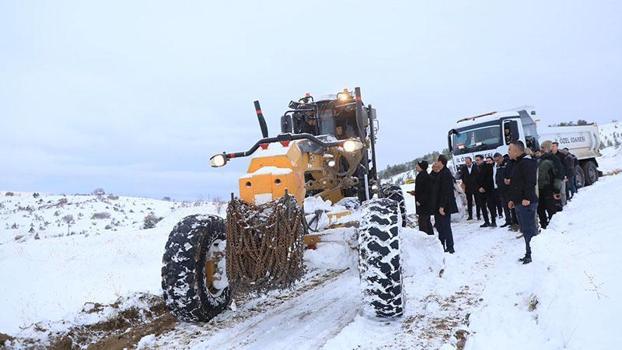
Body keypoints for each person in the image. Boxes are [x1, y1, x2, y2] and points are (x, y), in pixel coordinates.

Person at [507, 141, 538, 264]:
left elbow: (530, 182)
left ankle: (533, 254)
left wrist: (527, 198)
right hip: (519, 202)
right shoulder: (517, 163)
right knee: (525, 230)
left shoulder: (527, 162)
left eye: (510, 149)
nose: (508, 152)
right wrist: (512, 200)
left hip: (527, 202)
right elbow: (516, 184)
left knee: (530, 230)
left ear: (517, 151)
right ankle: (528, 253)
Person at [431, 155, 458, 253]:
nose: (435, 163)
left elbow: (446, 191)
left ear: (441, 162)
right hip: (438, 205)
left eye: (437, 161)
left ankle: (450, 247)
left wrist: (442, 206)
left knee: (446, 226)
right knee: (439, 226)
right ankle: (442, 245)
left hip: (445, 205)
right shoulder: (440, 173)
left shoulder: (446, 173)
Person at [537, 141, 563, 229]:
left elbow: (559, 175)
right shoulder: (539, 159)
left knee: (551, 208)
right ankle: (544, 225)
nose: (541, 149)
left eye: (543, 147)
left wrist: (556, 190)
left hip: (549, 188)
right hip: (540, 188)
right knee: (540, 209)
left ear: (547, 148)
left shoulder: (553, 159)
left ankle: (554, 226)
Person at [410, 161, 434, 235]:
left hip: (424, 205)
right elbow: (421, 190)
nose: (416, 166)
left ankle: (425, 240)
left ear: (421, 167)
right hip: (423, 204)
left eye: (418, 165)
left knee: (423, 224)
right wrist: (415, 192)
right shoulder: (421, 175)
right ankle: (431, 238)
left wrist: (420, 201)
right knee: (427, 222)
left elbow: (427, 191)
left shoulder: (424, 176)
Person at [475, 155, 497, 227]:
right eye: (476, 160)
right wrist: (479, 187)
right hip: (479, 190)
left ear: (482, 160)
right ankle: (486, 221)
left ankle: (493, 221)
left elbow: (489, 178)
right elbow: (474, 179)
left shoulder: (488, 166)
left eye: (478, 160)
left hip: (488, 189)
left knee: (491, 206)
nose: (477, 161)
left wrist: (484, 187)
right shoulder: (475, 168)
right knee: (483, 207)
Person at [493, 153, 513, 227]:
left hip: (508, 189)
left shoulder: (507, 164)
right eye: (495, 161)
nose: (497, 162)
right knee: (504, 206)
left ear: (501, 158)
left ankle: (514, 220)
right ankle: (508, 220)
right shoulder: (498, 166)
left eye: (498, 160)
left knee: (511, 205)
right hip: (501, 189)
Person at [459, 156, 480, 221]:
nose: (467, 164)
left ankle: (478, 215)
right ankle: (470, 216)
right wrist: (464, 184)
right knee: (469, 202)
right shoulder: (463, 168)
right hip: (468, 187)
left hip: (476, 187)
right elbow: (462, 176)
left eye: (468, 162)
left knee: (477, 201)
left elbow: (478, 176)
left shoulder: (476, 167)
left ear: (471, 161)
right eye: (466, 163)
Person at [551, 142, 567, 207]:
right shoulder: (550, 155)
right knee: (555, 192)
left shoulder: (561, 155)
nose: (552, 148)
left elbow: (565, 166)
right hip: (553, 177)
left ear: (557, 147)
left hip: (561, 176)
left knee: (562, 191)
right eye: (552, 146)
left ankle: (564, 204)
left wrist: (565, 175)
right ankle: (557, 205)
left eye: (554, 146)